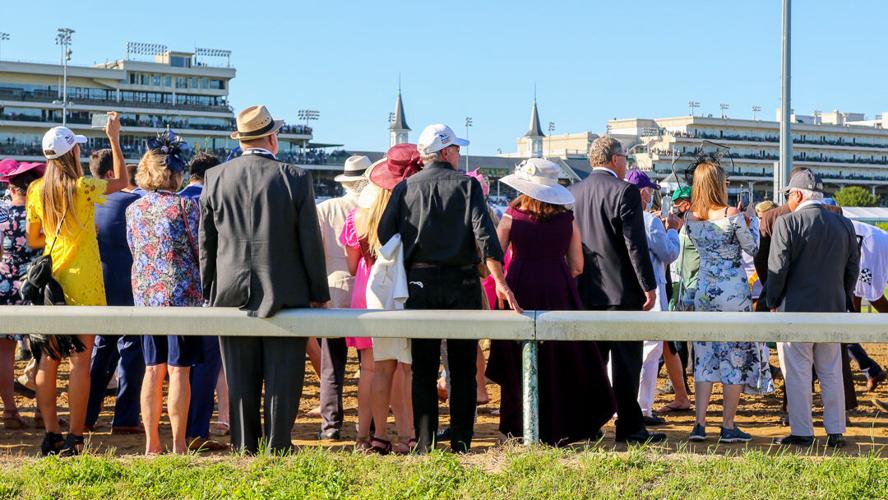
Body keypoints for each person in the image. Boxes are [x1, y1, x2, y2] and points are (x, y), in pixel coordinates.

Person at [377, 123, 518, 453]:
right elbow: (485, 237)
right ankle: (461, 442)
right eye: (455, 149)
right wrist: (499, 281)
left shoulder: (405, 187)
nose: (458, 154)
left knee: (423, 368)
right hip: (461, 282)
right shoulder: (467, 185)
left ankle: (425, 442)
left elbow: (385, 233)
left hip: (419, 282)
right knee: (463, 368)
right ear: (444, 151)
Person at [200, 105, 330, 454]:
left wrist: (209, 289)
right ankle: (278, 446)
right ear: (273, 138)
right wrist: (319, 293)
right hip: (285, 291)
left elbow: (207, 242)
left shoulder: (214, 177)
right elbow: (310, 242)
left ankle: (244, 446)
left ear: (241, 140)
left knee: (239, 380)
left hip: (229, 292)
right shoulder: (295, 176)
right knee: (283, 378)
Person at [486, 158, 616, 446]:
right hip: (558, 288)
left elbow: (493, 254)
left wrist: (502, 282)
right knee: (561, 358)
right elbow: (578, 266)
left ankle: (517, 429)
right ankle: (562, 426)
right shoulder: (567, 220)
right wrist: (558, 276)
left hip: (519, 289)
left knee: (518, 360)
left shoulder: (511, 217)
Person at [26, 117, 128, 455]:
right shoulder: (83, 186)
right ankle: (75, 437)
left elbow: (34, 239)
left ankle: (51, 434)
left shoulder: (36, 190)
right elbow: (123, 181)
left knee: (48, 361)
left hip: (51, 283)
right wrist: (114, 139)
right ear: (73, 152)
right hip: (83, 282)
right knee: (80, 364)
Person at [567, 136, 664, 444]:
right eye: (625, 157)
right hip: (622, 293)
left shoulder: (573, 193)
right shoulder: (625, 191)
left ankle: (588, 423)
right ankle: (630, 426)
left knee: (592, 364)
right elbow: (635, 245)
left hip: (585, 291)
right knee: (626, 366)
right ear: (614, 159)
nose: (626, 163)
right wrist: (649, 286)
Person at [682, 158, 772, 443]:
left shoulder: (690, 217)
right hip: (732, 289)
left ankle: (699, 425)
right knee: (735, 355)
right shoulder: (731, 213)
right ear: (718, 184)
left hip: (705, 288)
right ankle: (728, 425)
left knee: (705, 355)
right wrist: (750, 221)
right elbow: (752, 248)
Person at [767, 170, 859, 448]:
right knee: (831, 370)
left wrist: (772, 301)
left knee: (797, 372)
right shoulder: (844, 224)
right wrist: (843, 298)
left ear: (797, 195)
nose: (787, 199)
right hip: (832, 308)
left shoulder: (787, 223)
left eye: (788, 195)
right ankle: (836, 430)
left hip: (795, 310)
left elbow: (777, 269)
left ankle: (803, 431)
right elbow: (852, 269)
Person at [126, 132, 204, 455]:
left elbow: (134, 250)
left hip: (146, 298)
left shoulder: (134, 209)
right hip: (181, 298)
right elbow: (200, 251)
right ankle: (178, 443)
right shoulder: (186, 206)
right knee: (179, 371)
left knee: (152, 369)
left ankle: (151, 444)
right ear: (175, 173)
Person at [355, 146, 420, 454]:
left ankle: (380, 435)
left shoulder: (367, 211)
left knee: (381, 366)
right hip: (407, 285)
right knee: (406, 369)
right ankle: (408, 435)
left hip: (377, 287)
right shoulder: (413, 206)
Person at [85, 149, 145, 435]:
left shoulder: (89, 201)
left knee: (101, 349)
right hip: (128, 286)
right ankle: (125, 418)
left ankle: (86, 414)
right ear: (111, 174)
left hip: (99, 285)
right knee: (132, 350)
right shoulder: (133, 202)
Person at [173, 152, 229, 450]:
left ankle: (178, 430)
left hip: (174, 296)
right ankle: (197, 430)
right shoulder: (214, 201)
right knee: (206, 365)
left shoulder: (174, 199)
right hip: (207, 294)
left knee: (178, 367)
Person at [315, 155, 370, 441]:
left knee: (332, 366)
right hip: (366, 293)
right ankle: (368, 423)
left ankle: (330, 426)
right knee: (368, 365)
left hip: (333, 291)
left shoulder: (326, 208)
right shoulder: (374, 209)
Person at [625, 170, 681, 427]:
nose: (650, 196)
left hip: (625, 292)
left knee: (622, 352)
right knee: (650, 352)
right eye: (648, 191)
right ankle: (643, 408)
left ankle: (621, 405)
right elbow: (669, 253)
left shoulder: (619, 215)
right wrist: (672, 230)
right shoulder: (649, 221)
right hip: (651, 292)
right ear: (642, 193)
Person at [0, 160, 45, 429]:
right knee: (43, 352)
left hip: (5, 283)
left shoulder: (2, 213)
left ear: (11, 188)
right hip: (37, 285)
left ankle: (9, 412)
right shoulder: (40, 214)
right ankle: (43, 411)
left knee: (5, 352)